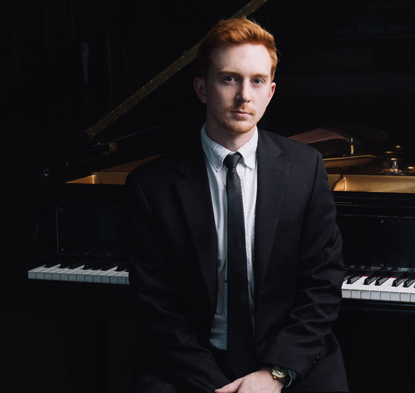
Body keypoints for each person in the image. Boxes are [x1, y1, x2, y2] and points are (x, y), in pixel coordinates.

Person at [125, 17, 348, 393]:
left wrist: (276, 373)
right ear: (202, 88)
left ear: (270, 91)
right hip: (190, 361)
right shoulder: (151, 186)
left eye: (257, 81)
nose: (244, 95)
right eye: (229, 78)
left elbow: (322, 284)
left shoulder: (305, 168)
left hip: (289, 357)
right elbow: (156, 307)